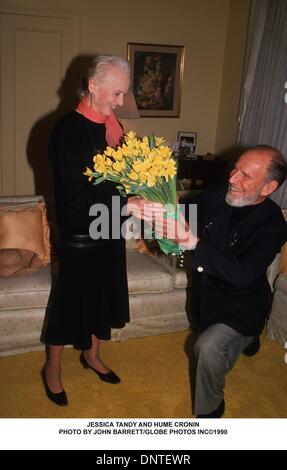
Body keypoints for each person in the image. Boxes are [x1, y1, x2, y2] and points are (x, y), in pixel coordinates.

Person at [140, 145, 287, 418]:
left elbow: (242, 273)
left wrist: (191, 241)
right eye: (235, 169)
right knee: (208, 332)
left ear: (268, 188)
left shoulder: (274, 224)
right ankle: (249, 339)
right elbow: (180, 212)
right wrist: (144, 204)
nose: (232, 178)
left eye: (245, 176)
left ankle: (210, 412)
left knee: (206, 347)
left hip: (244, 301)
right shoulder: (216, 195)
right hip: (206, 296)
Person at [41, 55, 135, 406]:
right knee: (69, 304)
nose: (121, 103)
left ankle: (92, 355)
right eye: (116, 93)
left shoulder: (113, 128)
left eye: (124, 94)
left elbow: (120, 179)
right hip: (81, 232)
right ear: (93, 86)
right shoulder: (67, 131)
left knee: (102, 296)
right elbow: (76, 196)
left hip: (110, 229)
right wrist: (128, 204)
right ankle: (51, 369)